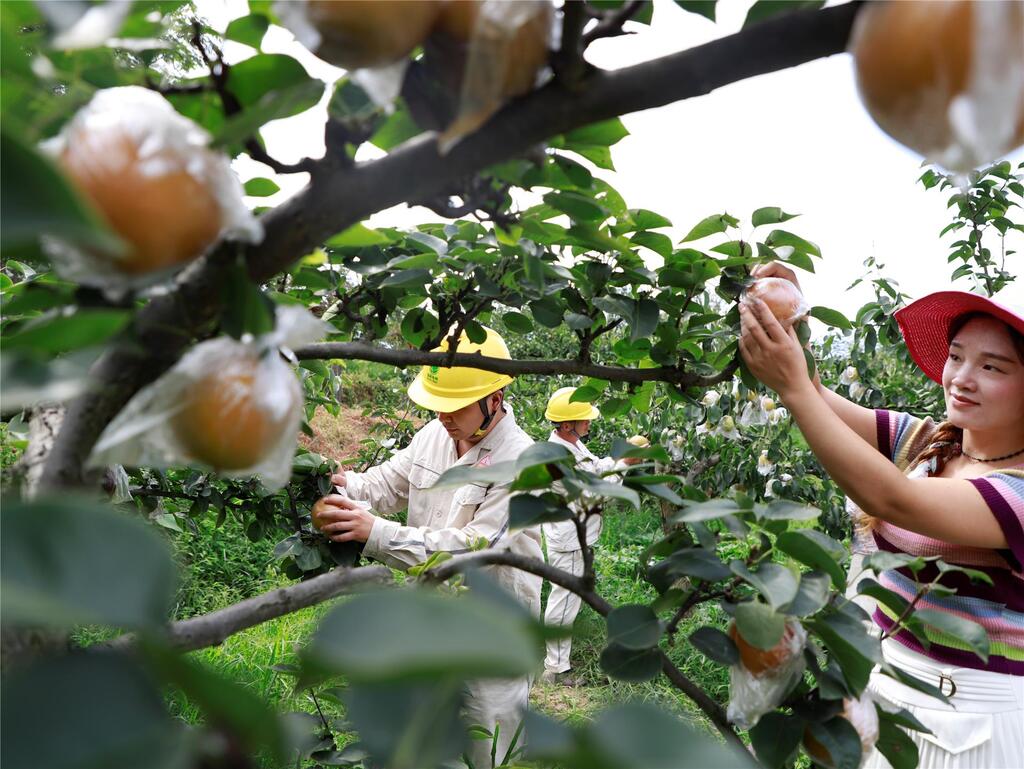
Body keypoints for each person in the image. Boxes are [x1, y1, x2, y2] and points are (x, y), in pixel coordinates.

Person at [739, 264, 1024, 769]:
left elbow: (897, 501)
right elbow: (819, 396)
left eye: (993, 367)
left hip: (971, 726)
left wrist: (794, 390)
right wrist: (791, 317)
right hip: (887, 692)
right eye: (957, 357)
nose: (961, 378)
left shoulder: (1018, 490)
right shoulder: (931, 443)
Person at [311, 326, 542, 768]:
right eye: (437, 406)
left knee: (487, 740)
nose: (443, 416)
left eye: (454, 407)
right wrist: (343, 485)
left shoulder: (522, 462)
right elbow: (386, 482)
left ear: (494, 399)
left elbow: (473, 548)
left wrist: (376, 533)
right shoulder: (434, 435)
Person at [539, 386, 642, 686]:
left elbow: (595, 469)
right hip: (569, 539)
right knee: (563, 603)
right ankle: (555, 669)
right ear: (568, 424)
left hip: (576, 538)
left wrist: (620, 460)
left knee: (569, 601)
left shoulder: (571, 446)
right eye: (584, 418)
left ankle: (556, 663)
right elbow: (593, 494)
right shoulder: (556, 458)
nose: (590, 422)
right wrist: (623, 466)